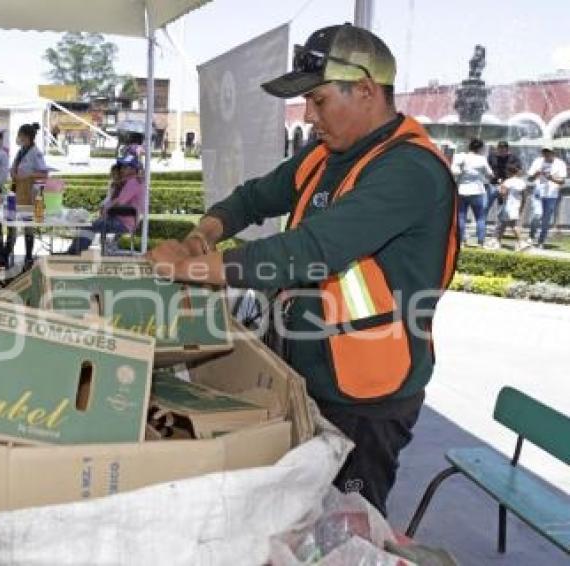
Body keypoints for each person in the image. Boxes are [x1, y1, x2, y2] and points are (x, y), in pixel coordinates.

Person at [148, 24, 458, 516]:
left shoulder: (409, 171)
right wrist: (199, 236)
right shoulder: (325, 154)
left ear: (365, 89)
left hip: (365, 394)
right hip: (301, 374)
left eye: (318, 100)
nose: (309, 116)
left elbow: (310, 250)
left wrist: (193, 270)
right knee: (292, 518)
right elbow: (254, 197)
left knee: (346, 526)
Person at [67, 156, 145, 254]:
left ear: (134, 169)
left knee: (89, 226)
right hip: (124, 220)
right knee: (90, 225)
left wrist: (105, 209)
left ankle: (74, 253)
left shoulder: (132, 182)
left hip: (123, 222)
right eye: (122, 167)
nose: (121, 169)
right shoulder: (133, 182)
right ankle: (75, 251)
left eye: (125, 167)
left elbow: (120, 201)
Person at [3, 123, 48, 269]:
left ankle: (28, 257)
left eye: (21, 135)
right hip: (17, 191)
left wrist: (29, 175)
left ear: (27, 136)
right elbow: (15, 167)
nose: (18, 138)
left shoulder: (36, 153)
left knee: (28, 226)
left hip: (29, 194)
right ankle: (7, 254)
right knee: (12, 224)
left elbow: (44, 174)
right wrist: (13, 172)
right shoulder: (21, 151)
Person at [451, 138, 493, 247]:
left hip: (462, 190)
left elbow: (454, 171)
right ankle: (480, 242)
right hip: (477, 191)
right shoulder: (482, 159)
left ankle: (461, 241)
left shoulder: (461, 157)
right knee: (480, 217)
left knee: (461, 216)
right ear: (479, 148)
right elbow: (490, 174)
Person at [526, 146, 566, 248]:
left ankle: (541, 241)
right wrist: (536, 174)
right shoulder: (537, 161)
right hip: (538, 193)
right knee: (537, 214)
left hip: (552, 195)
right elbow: (529, 179)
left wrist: (551, 178)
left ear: (553, 153)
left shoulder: (560, 163)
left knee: (546, 219)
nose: (546, 154)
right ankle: (531, 235)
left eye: (549, 152)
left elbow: (562, 181)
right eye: (544, 152)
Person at [487, 164, 527, 251]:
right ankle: (496, 241)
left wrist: (501, 186)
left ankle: (521, 242)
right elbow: (524, 197)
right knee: (502, 224)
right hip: (516, 205)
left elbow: (503, 194)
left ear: (509, 172)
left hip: (508, 206)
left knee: (512, 225)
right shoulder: (522, 182)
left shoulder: (507, 182)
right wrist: (521, 207)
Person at [486, 140, 521, 217]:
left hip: (507, 185)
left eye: (504, 148)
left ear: (507, 149)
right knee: (486, 205)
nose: (501, 150)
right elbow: (486, 169)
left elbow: (519, 170)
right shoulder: (492, 156)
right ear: (497, 148)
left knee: (503, 206)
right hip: (493, 184)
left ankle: (500, 226)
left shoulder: (513, 158)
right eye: (500, 148)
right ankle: (482, 222)